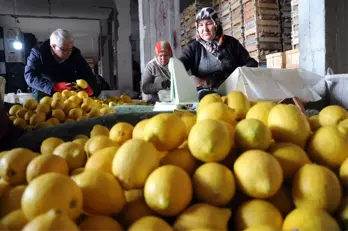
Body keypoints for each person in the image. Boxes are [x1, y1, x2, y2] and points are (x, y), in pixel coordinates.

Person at [179, 7, 258, 99]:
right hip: (206, 95)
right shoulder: (194, 47)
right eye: (200, 25)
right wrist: (175, 65)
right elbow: (181, 63)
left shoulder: (231, 43)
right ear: (197, 28)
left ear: (216, 24)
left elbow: (252, 63)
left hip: (234, 93)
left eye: (209, 23)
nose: (205, 29)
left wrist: (238, 74)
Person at [24, 29, 97, 101]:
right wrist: (53, 86)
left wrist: (90, 86)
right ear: (53, 46)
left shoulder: (75, 53)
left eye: (70, 49)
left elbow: (88, 73)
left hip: (68, 86)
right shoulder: (38, 52)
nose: (69, 53)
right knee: (42, 102)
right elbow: (30, 76)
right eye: (64, 50)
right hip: (46, 86)